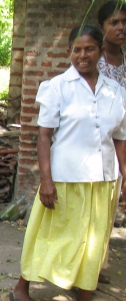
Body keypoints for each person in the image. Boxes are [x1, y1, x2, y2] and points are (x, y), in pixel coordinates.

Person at [10, 25, 126, 301]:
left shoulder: (117, 93)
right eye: (76, 49)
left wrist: (124, 179)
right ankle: (22, 288)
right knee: (50, 236)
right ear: (68, 52)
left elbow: (120, 140)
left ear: (101, 52)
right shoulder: (57, 87)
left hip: (103, 181)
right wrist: (46, 181)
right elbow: (44, 137)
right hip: (64, 178)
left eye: (89, 49)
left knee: (94, 243)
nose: (82, 55)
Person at [97, 0, 126, 285]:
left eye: (124, 23)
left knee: (109, 205)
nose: (121, 28)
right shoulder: (95, 61)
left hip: (121, 141)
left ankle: (96, 263)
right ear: (102, 27)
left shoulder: (125, 61)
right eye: (114, 23)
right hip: (97, 142)